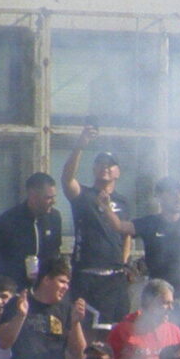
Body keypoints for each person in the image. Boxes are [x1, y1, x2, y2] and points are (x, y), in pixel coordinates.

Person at [62, 132, 137, 323]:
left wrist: (125, 262)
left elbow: (127, 235)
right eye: (101, 163)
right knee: (84, 327)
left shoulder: (123, 202)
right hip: (86, 275)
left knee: (115, 330)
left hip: (114, 278)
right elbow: (67, 179)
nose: (105, 168)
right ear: (94, 168)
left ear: (118, 171)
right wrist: (80, 146)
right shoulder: (83, 195)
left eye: (110, 164)